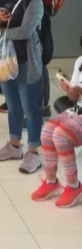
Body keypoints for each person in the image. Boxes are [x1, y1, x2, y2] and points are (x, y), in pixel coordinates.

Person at [0, 0, 46, 173]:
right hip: (6, 62)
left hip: (27, 62)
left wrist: (2, 31)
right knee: (12, 105)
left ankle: (33, 151)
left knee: (31, 107)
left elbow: (26, 31)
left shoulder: (34, 1)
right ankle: (14, 145)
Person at [30, 50, 82, 207]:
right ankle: (51, 182)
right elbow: (74, 97)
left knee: (60, 135)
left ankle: (74, 186)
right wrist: (70, 91)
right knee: (47, 131)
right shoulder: (80, 61)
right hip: (77, 110)